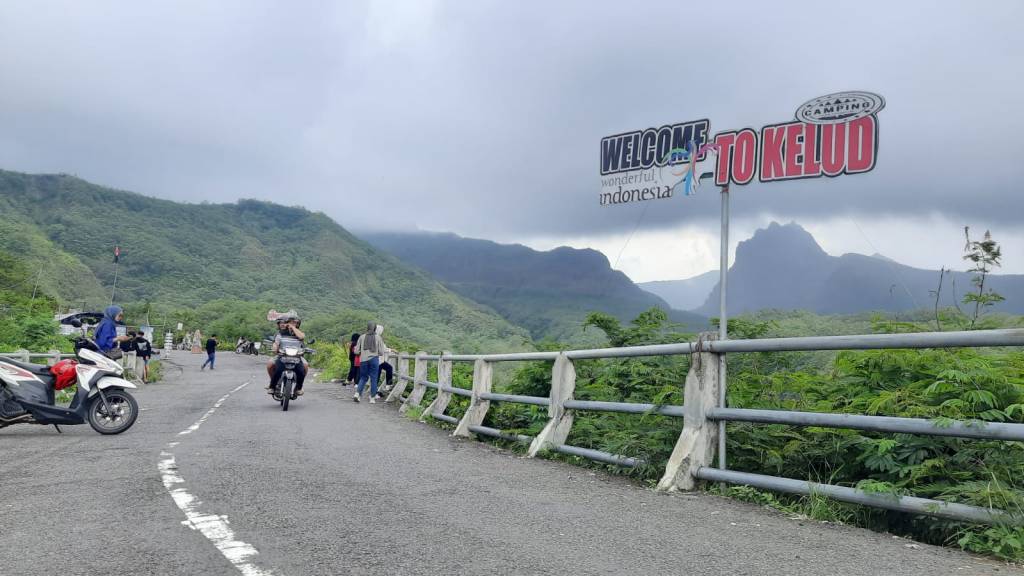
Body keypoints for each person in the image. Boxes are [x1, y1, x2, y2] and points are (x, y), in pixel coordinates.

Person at [266, 316, 307, 395]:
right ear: (287, 323)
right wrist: (275, 348)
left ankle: (299, 388)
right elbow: (276, 343)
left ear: (298, 324)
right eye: (291, 322)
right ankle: (272, 387)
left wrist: (293, 328)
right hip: (283, 356)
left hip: (296, 357)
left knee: (301, 371)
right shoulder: (280, 333)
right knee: (278, 370)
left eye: (295, 323)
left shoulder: (299, 333)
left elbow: (302, 337)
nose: (292, 324)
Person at [354, 322, 387, 404]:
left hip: (363, 360)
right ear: (375, 328)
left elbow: (356, 351)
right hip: (374, 360)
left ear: (367, 327)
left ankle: (357, 394)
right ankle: (372, 398)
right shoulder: (378, 337)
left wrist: (363, 353)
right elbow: (381, 352)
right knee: (374, 378)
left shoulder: (361, 337)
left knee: (363, 378)